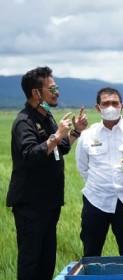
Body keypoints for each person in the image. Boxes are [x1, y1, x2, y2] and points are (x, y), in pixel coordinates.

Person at [6, 66, 88, 280]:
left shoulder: (47, 116)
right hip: (30, 206)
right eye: (53, 88)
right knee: (30, 261)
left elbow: (60, 149)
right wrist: (57, 135)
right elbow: (31, 155)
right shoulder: (24, 122)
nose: (57, 91)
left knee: (47, 260)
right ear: (36, 93)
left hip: (49, 203)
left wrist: (75, 132)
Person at [75, 87, 123, 257]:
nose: (111, 107)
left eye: (115, 103)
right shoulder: (88, 135)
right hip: (96, 200)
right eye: (106, 104)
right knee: (91, 250)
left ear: (122, 106)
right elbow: (82, 167)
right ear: (98, 108)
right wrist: (101, 185)